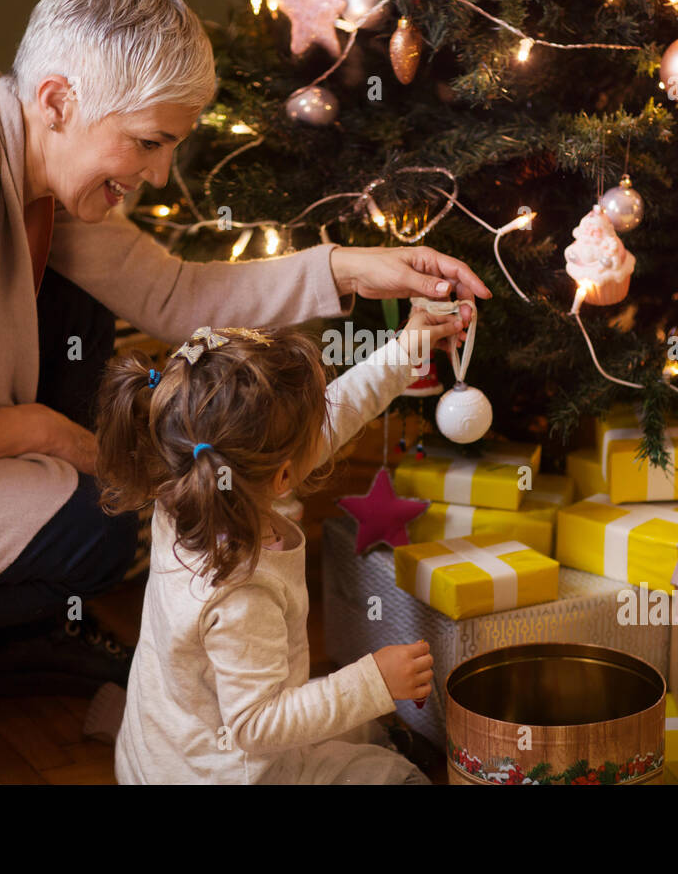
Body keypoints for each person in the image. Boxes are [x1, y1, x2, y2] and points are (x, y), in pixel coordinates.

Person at [0, 0, 488, 754]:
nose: (159, 174)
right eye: (149, 143)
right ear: (59, 100)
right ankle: (3, 627)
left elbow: (175, 294)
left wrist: (351, 267)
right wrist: (47, 434)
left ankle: (18, 635)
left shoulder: (15, 141)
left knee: (89, 309)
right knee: (104, 529)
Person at [97, 305, 463, 784]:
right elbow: (256, 724)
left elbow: (333, 414)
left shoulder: (189, 480)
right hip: (233, 774)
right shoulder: (242, 590)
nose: (325, 427)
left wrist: (405, 352)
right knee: (395, 775)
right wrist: (374, 678)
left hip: (165, 753)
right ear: (285, 475)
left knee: (352, 726)